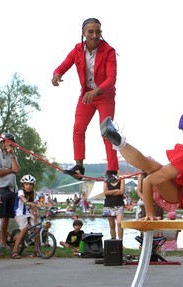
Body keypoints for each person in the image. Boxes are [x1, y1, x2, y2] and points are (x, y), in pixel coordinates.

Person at [52, 17, 119, 184]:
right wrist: (57, 75)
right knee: (78, 129)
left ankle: (112, 170)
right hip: (87, 95)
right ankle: (79, 166)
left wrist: (96, 91)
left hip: (104, 96)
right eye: (91, 32)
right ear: (83, 33)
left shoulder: (109, 51)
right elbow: (63, 66)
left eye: (98, 32)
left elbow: (111, 78)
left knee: (107, 131)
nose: (95, 35)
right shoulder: (77, 50)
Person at [0, 132, 21, 249]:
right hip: (0, 188)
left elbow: (17, 169)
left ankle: (2, 242)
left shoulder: (13, 156)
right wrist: (11, 170)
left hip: (12, 189)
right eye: (6, 141)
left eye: (11, 142)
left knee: (7, 217)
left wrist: (12, 155)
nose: (8, 144)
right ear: (2, 142)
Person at [11, 175, 38, 259]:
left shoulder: (34, 193)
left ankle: (37, 251)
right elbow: (22, 198)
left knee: (37, 229)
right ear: (23, 185)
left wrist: (36, 219)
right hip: (19, 213)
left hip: (29, 213)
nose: (28, 186)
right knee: (24, 228)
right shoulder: (20, 191)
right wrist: (27, 202)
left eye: (30, 184)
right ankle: (14, 251)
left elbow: (34, 207)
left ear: (33, 186)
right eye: (26, 184)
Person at [103, 174, 125, 240]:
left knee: (119, 223)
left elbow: (121, 192)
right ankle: (114, 241)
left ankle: (120, 241)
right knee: (112, 225)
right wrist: (116, 190)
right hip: (108, 205)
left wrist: (110, 193)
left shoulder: (122, 179)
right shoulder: (106, 180)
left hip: (119, 205)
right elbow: (105, 193)